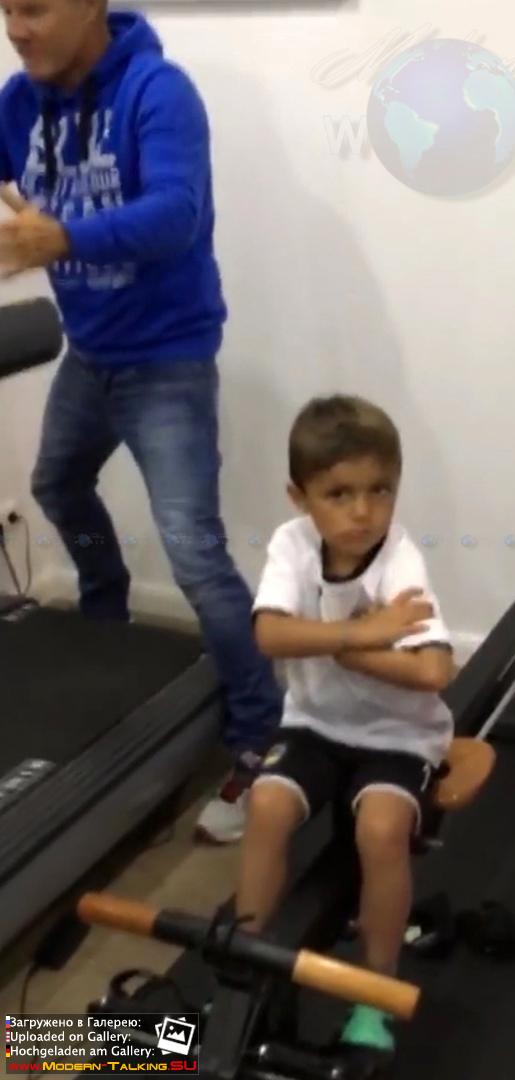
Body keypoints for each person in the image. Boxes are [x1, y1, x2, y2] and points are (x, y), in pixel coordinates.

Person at [0, 0, 282, 840]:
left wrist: (59, 240)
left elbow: (175, 214)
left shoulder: (159, 91)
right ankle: (106, 611)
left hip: (167, 361)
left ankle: (262, 737)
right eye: (6, 9)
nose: (16, 29)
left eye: (34, 9)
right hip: (90, 357)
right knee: (58, 483)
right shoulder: (20, 102)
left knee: (195, 552)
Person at [237, 394, 456, 1059]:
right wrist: (363, 634)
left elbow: (432, 671)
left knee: (380, 831)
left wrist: (338, 647)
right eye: (338, 494)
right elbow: (270, 635)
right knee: (265, 806)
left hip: (397, 737)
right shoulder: (291, 544)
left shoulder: (400, 559)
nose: (363, 512)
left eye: (379, 490)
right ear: (300, 497)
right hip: (314, 723)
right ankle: (244, 971)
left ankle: (374, 991)